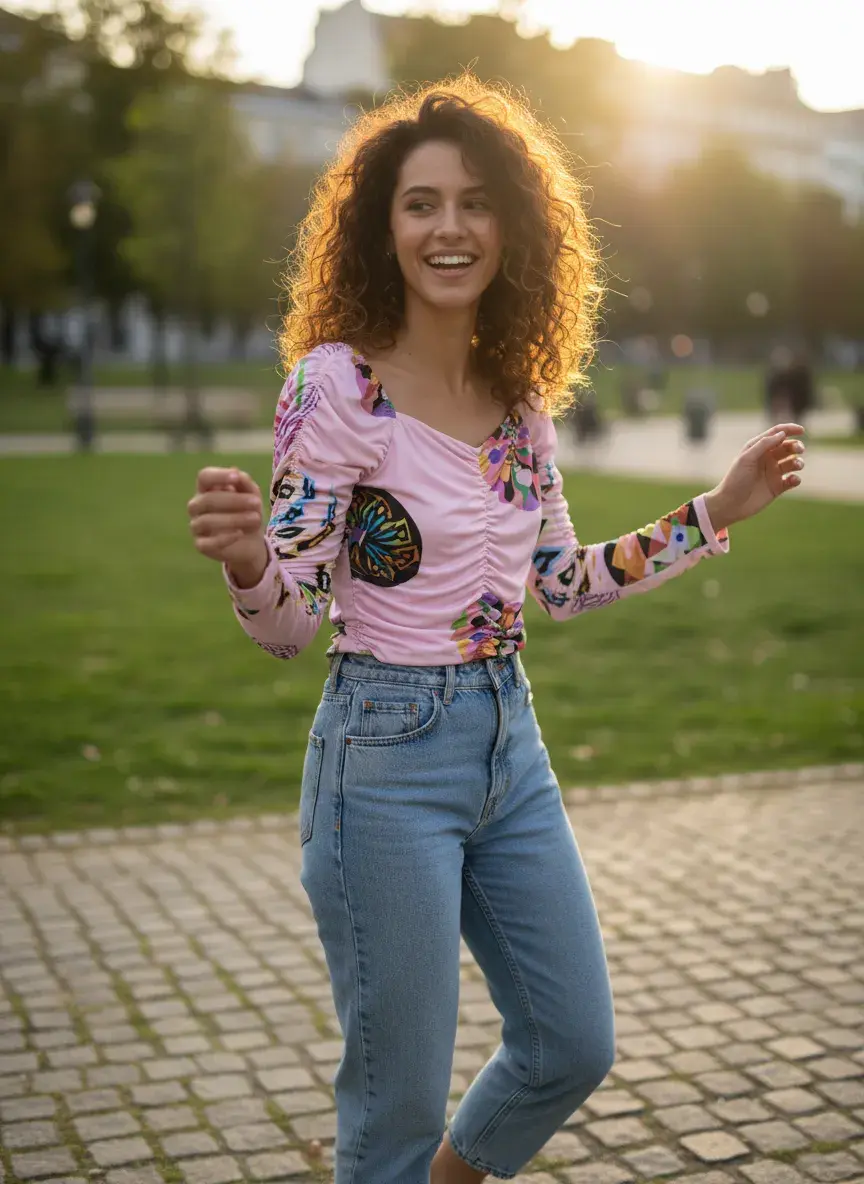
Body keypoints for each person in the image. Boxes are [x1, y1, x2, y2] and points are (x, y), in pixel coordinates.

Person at [186, 77, 806, 1183]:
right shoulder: (338, 387)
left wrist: (714, 514)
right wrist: (246, 559)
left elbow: (560, 582)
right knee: (395, 1110)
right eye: (421, 203)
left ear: (513, 224)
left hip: (507, 741)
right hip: (380, 755)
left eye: (475, 201)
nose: (449, 227)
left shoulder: (519, 397)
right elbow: (288, 626)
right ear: (383, 225)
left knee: (572, 1040)